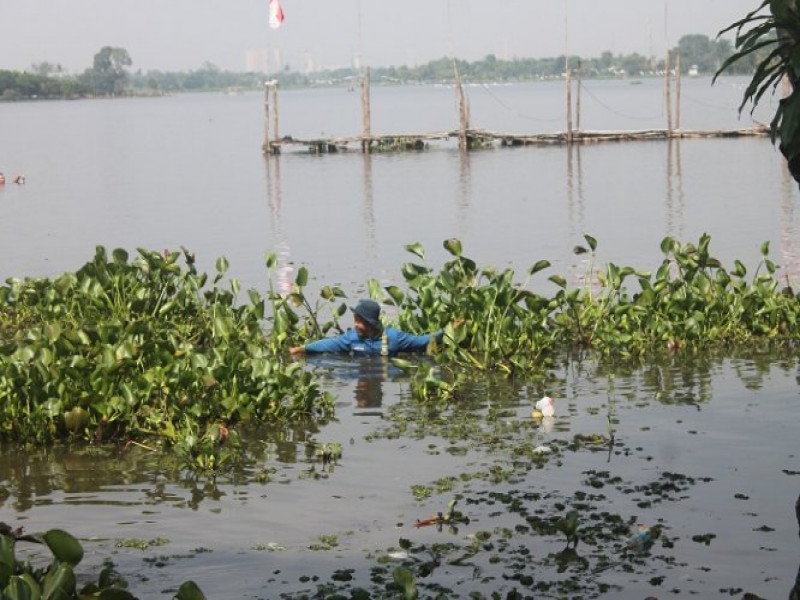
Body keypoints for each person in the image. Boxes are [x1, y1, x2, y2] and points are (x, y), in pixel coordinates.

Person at [289, 298, 442, 357]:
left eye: (359, 321)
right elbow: (328, 343)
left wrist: (448, 331)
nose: (355, 324)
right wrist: (302, 348)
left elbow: (421, 341)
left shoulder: (394, 337)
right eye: (355, 320)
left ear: (371, 324)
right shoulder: (351, 338)